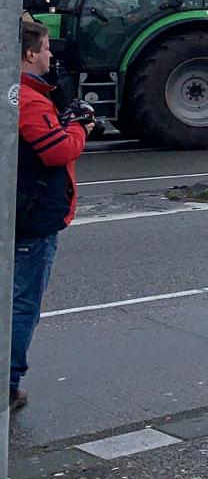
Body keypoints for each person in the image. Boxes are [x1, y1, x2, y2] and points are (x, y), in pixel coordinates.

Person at [14, 21, 88, 412]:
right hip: (33, 217)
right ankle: (9, 382)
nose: (50, 55)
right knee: (23, 304)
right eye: (44, 49)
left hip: (21, 210)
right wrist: (79, 128)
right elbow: (57, 152)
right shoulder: (30, 100)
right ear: (29, 54)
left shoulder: (25, 96)